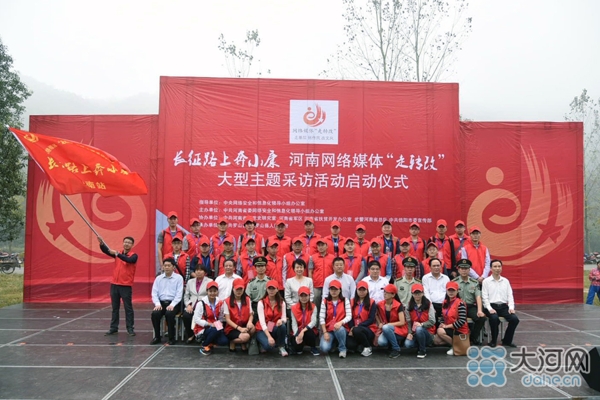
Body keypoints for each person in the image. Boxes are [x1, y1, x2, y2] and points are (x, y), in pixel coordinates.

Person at [98, 235, 138, 336]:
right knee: (115, 308)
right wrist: (102, 244)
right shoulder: (118, 254)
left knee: (128, 308)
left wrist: (116, 254)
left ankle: (130, 328)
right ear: (123, 243)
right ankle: (113, 328)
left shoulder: (133, 255)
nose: (127, 244)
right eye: (125, 242)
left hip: (126, 285)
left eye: (129, 242)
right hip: (114, 285)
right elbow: (107, 251)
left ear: (132, 245)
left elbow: (128, 260)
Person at [482, 259, 519, 347]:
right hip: (490, 306)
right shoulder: (486, 281)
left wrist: (511, 308)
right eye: (495, 266)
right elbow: (484, 297)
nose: (497, 268)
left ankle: (507, 341)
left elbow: (510, 295)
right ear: (491, 268)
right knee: (494, 318)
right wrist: (490, 309)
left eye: (499, 266)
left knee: (515, 319)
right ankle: (493, 341)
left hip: (503, 307)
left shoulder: (505, 281)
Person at [150, 257, 184, 345]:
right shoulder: (158, 278)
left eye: (169, 265)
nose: (167, 267)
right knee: (155, 314)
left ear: (173, 267)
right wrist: (157, 304)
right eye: (165, 266)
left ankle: (171, 338)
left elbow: (179, 294)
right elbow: (154, 293)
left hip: (174, 303)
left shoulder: (179, 278)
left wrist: (172, 304)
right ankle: (157, 337)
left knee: (169, 314)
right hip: (161, 303)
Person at [453, 258, 487, 345]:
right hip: (457, 307)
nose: (464, 270)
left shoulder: (474, 282)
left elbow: (478, 296)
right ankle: (455, 339)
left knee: (481, 318)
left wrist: (479, 310)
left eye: (466, 268)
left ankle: (472, 338)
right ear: (458, 270)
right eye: (462, 268)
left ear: (469, 270)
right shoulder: (454, 282)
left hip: (470, 306)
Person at [433, 281, 469, 355]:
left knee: (440, 331)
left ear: (457, 291)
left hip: (459, 329)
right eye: (449, 290)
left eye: (453, 290)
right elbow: (443, 316)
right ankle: (456, 345)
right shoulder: (445, 302)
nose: (451, 292)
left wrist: (446, 326)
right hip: (449, 328)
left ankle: (456, 347)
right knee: (436, 341)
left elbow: (462, 321)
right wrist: (442, 323)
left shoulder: (460, 303)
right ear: (446, 291)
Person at [319, 280, 351, 358]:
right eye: (331, 289)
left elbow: (349, 316)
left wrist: (341, 322)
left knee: (340, 329)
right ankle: (334, 342)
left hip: (341, 328)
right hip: (329, 330)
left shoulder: (345, 300)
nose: (333, 291)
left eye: (336, 289)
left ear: (340, 290)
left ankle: (342, 349)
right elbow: (321, 318)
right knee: (324, 348)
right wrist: (325, 332)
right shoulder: (325, 301)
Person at [256, 280, 288, 356]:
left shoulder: (282, 302)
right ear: (266, 290)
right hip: (262, 329)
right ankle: (261, 343)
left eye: (273, 288)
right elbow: (262, 323)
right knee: (269, 347)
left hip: (274, 327)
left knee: (282, 326)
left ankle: (281, 346)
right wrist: (269, 337)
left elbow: (284, 318)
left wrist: (281, 320)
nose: (271, 290)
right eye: (269, 288)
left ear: (277, 289)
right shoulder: (261, 302)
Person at [195, 281, 228, 355]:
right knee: (215, 330)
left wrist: (220, 323)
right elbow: (196, 319)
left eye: (215, 291)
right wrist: (209, 324)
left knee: (224, 341)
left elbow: (221, 317)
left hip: (216, 326)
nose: (213, 293)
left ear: (217, 292)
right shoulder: (201, 303)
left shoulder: (220, 303)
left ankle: (210, 342)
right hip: (203, 328)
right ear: (207, 291)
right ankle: (204, 345)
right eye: (210, 291)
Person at [182, 265, 212, 343]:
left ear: (205, 272)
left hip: (204, 306)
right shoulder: (190, 282)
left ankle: (202, 335)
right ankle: (191, 334)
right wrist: (188, 305)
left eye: (201, 270)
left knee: (204, 317)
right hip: (192, 305)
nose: (198, 272)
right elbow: (186, 295)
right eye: (197, 270)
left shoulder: (210, 281)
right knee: (186, 316)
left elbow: (211, 295)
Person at [404, 283, 436, 358]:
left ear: (423, 293)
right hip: (414, 332)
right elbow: (408, 321)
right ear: (412, 294)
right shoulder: (409, 305)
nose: (417, 295)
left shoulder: (429, 304)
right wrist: (409, 333)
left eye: (419, 293)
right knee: (408, 344)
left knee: (419, 329)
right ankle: (420, 344)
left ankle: (422, 350)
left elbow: (432, 321)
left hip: (428, 332)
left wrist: (422, 324)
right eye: (415, 293)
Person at [376, 284, 407, 358]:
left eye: (387, 292)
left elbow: (402, 322)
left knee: (386, 327)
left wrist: (388, 324)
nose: (384, 294)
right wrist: (379, 323)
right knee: (381, 342)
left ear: (393, 295)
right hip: (387, 329)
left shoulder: (398, 305)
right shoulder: (380, 304)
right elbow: (376, 314)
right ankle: (392, 344)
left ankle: (396, 349)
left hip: (400, 330)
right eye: (384, 292)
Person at [346, 281, 377, 357]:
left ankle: (367, 347)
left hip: (368, 328)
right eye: (360, 290)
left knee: (357, 330)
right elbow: (349, 316)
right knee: (350, 345)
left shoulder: (372, 302)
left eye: (364, 290)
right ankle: (360, 345)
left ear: (367, 291)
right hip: (354, 328)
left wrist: (358, 326)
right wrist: (352, 327)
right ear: (356, 290)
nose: (362, 292)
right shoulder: (352, 301)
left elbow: (371, 319)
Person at [223, 278, 255, 352]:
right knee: (246, 337)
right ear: (233, 289)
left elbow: (251, 314)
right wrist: (239, 328)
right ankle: (232, 341)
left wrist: (250, 322)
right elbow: (227, 319)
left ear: (244, 289)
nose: (239, 291)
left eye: (241, 289)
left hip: (244, 324)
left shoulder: (247, 299)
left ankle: (242, 343)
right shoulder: (227, 301)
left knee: (253, 328)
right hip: (232, 328)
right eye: (237, 289)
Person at [290, 286, 320, 355]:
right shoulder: (293, 308)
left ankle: (313, 347)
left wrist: (303, 331)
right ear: (298, 296)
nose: (304, 298)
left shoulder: (313, 307)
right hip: (298, 330)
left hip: (308, 330)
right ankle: (300, 347)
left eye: (306, 295)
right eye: (301, 296)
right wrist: (297, 335)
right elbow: (294, 323)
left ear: (309, 296)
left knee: (310, 332)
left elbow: (313, 322)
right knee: (297, 349)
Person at [308, 239, 335, 316]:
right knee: (316, 301)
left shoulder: (332, 257)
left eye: (322, 245)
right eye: (319, 245)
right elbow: (310, 271)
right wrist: (311, 283)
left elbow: (334, 271)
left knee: (328, 302)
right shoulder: (312, 257)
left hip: (329, 285)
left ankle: (327, 317)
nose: (320, 247)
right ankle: (316, 318)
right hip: (316, 285)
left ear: (326, 246)